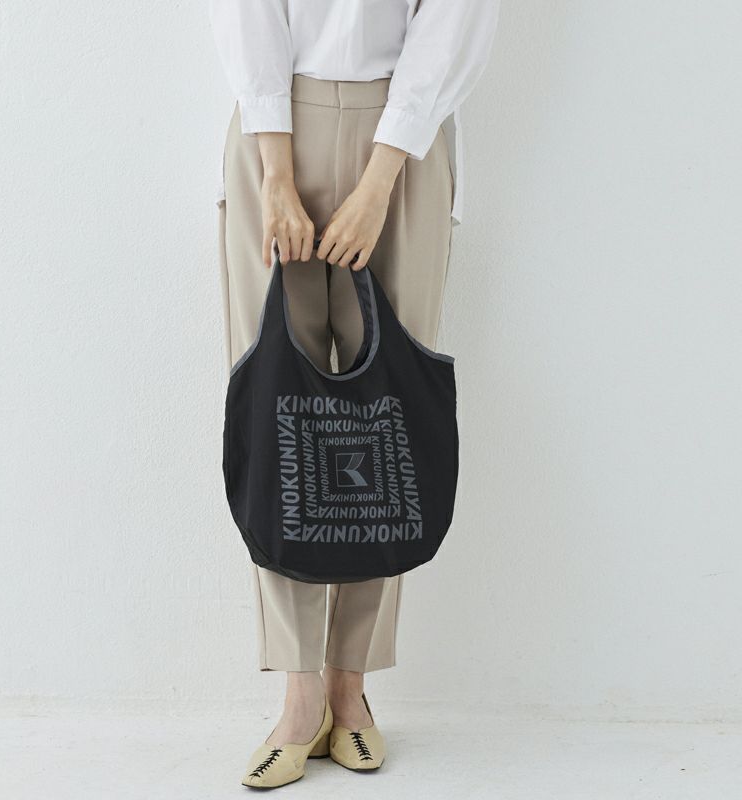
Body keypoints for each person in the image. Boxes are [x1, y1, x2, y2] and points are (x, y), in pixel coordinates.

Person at [209, 0, 500, 789]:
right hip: (275, 120)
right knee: (275, 413)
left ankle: (351, 686)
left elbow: (452, 21)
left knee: (388, 418)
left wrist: (379, 182)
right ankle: (300, 695)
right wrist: (275, 172)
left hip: (403, 135)